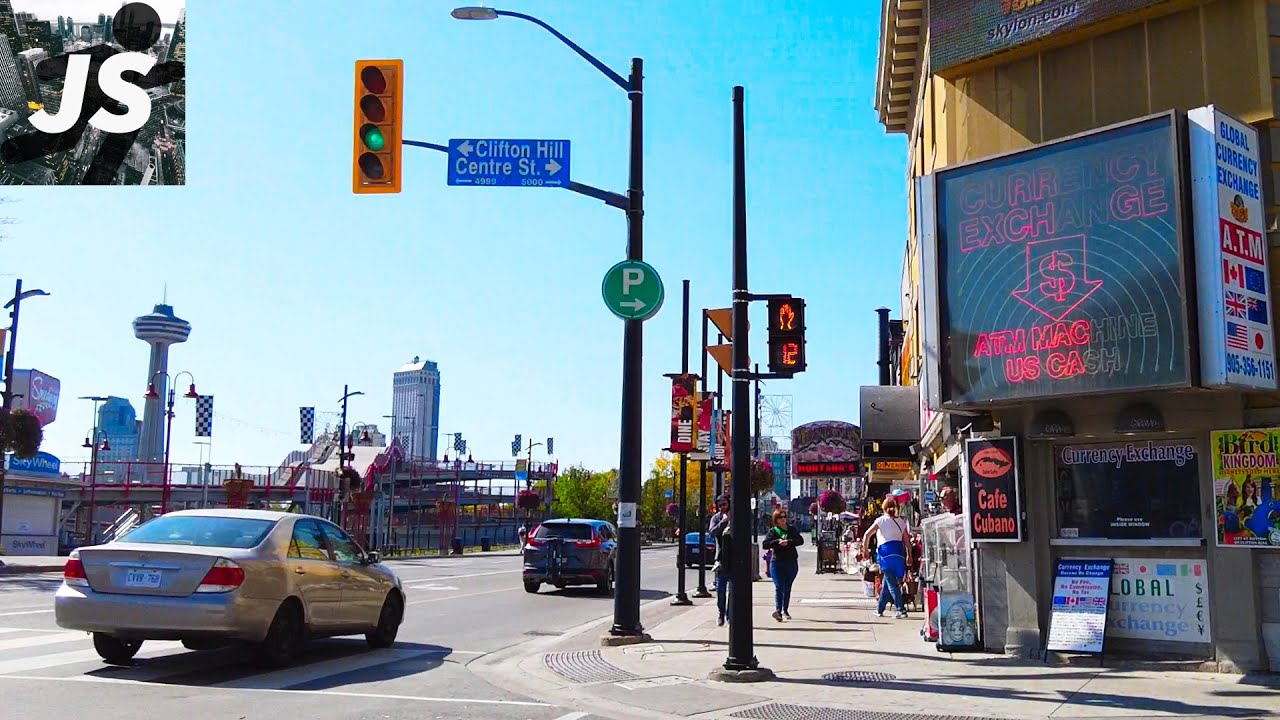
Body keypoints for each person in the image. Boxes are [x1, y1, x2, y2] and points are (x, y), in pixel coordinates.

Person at [862, 499, 910, 619]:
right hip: (899, 554)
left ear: (883, 508)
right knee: (887, 583)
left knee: (891, 584)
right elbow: (907, 541)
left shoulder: (880, 521)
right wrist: (909, 555)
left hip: (885, 554)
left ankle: (901, 609)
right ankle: (879, 609)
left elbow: (867, 535)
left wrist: (865, 550)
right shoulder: (901, 522)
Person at [761, 507, 804, 621]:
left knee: (787, 587)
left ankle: (785, 610)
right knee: (779, 586)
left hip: (791, 563)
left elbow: (800, 540)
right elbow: (765, 544)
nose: (783, 519)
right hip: (777, 563)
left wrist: (788, 542)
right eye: (781, 517)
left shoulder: (791, 530)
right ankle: (778, 611)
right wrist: (777, 542)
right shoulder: (773, 531)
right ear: (776, 519)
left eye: (785, 516)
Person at [709, 495, 733, 627]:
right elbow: (712, 532)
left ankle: (729, 615)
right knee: (720, 590)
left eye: (725, 504)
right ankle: (721, 614)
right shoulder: (716, 518)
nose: (723, 507)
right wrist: (724, 521)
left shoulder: (735, 516)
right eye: (720, 505)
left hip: (734, 559)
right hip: (721, 559)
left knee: (733, 591)